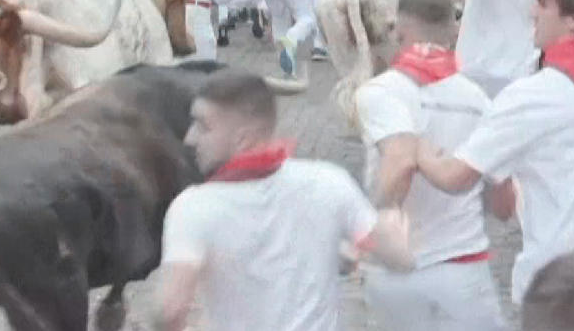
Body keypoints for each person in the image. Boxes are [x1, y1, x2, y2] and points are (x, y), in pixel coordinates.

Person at [417, 0, 574, 305]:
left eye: (542, 2)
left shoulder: (530, 96)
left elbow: (457, 179)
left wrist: (414, 145)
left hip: (557, 285)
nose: (532, 11)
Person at [153, 70, 413, 331]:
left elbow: (170, 311)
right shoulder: (329, 182)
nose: (189, 138)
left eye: (203, 126)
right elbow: (401, 259)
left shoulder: (193, 208)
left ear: (242, 138)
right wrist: (390, 222)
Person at [356, 0, 508, 331]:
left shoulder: (379, 91)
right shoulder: (480, 100)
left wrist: (370, 225)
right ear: (453, 34)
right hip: (463, 267)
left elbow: (400, 162)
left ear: (399, 31)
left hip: (393, 272)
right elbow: (503, 203)